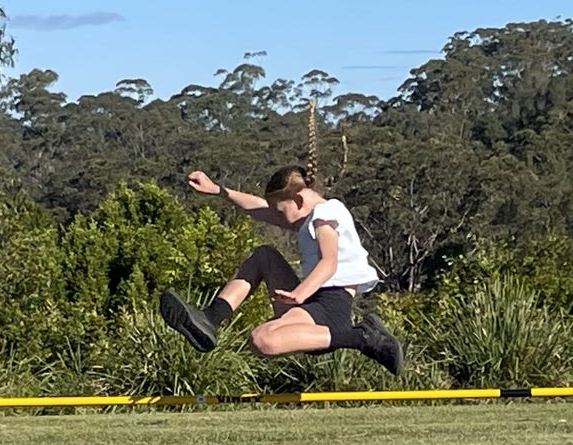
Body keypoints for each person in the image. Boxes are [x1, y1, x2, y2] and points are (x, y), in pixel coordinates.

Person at [159, 112, 403, 375]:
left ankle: (361, 337)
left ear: (298, 200)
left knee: (262, 340)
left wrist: (299, 294)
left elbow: (329, 262)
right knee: (264, 256)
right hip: (314, 300)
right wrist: (218, 190)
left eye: (280, 210)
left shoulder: (326, 213)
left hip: (330, 306)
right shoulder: (308, 216)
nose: (277, 217)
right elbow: (258, 208)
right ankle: (210, 318)